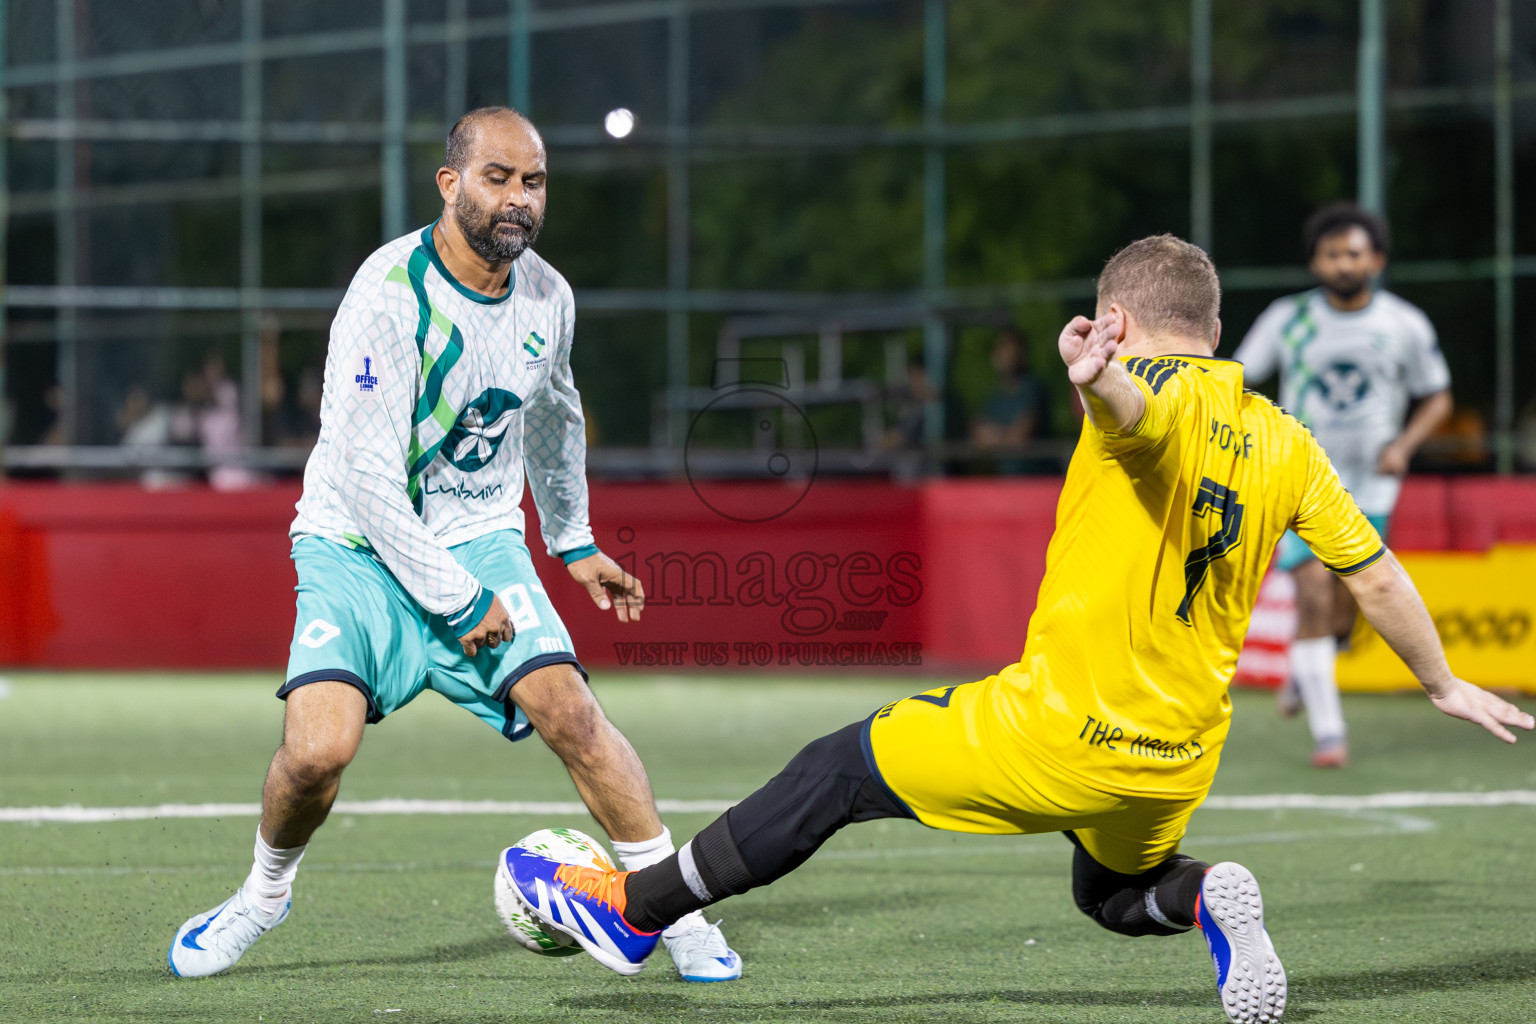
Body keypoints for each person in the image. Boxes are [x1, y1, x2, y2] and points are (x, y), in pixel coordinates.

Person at [498, 236, 1531, 1024]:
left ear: (1116, 318)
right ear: (1215, 326)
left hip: (1061, 732)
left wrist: (1102, 382)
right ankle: (1210, 894)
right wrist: (1440, 681)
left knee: (838, 769)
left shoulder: (1143, 395)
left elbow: (1142, 421)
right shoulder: (1285, 439)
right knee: (1114, 892)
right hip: (1178, 757)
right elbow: (1376, 572)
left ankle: (637, 910)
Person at [167, 107, 740, 983]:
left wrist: (574, 539)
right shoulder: (389, 293)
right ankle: (262, 897)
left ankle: (676, 912)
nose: (518, 199)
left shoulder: (549, 296)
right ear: (451, 184)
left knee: (573, 712)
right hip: (356, 542)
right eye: (498, 178)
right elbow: (363, 477)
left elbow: (553, 418)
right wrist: (460, 601)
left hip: (476, 535)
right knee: (318, 752)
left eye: (534, 182)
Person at [1233, 203, 1452, 767]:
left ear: (1375, 259)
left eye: (1354, 253)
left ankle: (1310, 668)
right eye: (1331, 254)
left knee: (1347, 607)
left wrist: (1403, 445)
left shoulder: (1404, 323)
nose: (1342, 263)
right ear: (1315, 261)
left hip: (1372, 484)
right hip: (1302, 476)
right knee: (1312, 593)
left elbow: (1438, 396)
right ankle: (1330, 734)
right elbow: (1238, 378)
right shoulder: (1288, 318)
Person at [970, 327, 1050, 473]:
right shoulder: (995, 396)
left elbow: (1020, 438)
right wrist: (1006, 437)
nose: (999, 353)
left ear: (1021, 352)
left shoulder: (1034, 388)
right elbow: (978, 435)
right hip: (1006, 484)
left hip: (1036, 482)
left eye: (1005, 346)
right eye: (996, 347)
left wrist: (994, 438)